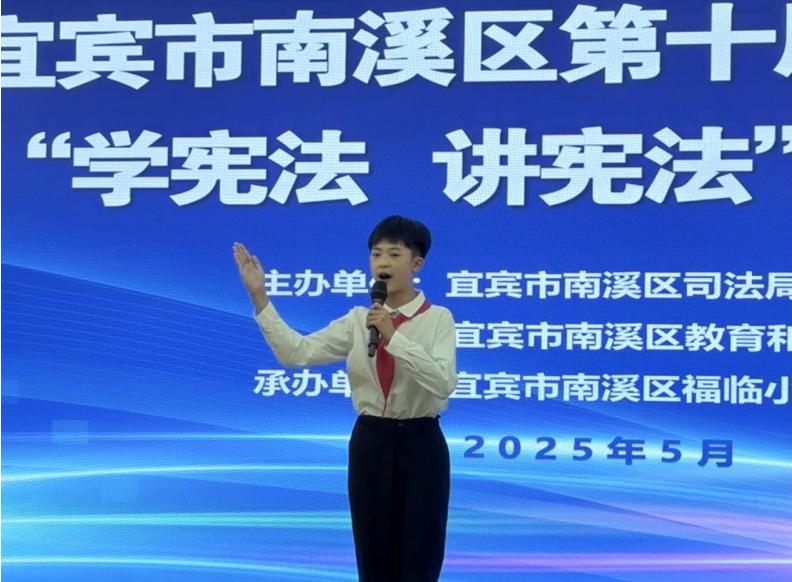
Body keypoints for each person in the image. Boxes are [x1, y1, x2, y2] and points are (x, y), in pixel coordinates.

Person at [233, 215, 457, 582]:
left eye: (394, 254)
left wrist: (393, 336)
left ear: (417, 264)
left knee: (422, 554)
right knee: (373, 556)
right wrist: (260, 299)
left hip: (422, 442)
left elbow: (443, 382)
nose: (382, 263)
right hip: (371, 440)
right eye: (376, 254)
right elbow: (296, 353)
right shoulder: (357, 320)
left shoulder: (438, 319)